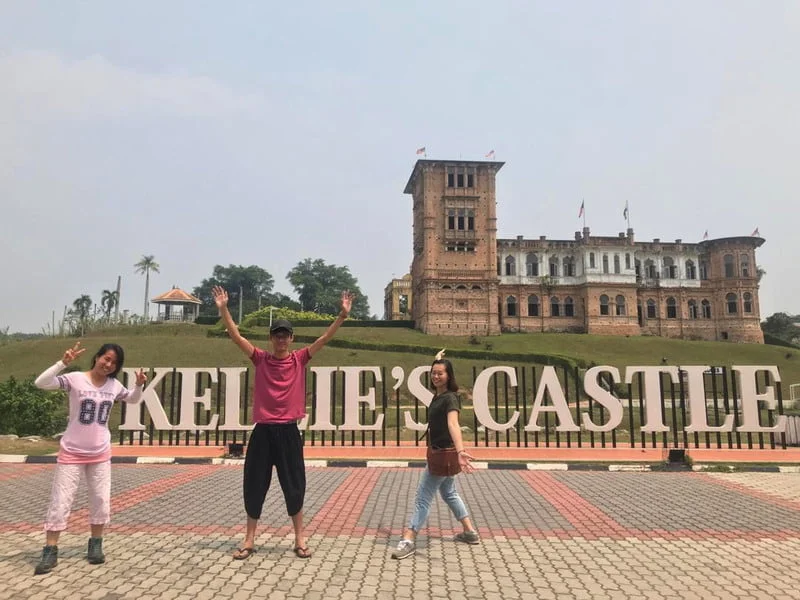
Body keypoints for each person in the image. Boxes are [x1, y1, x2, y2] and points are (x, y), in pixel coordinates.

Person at [212, 285, 354, 560]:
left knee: (295, 485)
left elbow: (324, 338)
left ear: (291, 338)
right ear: (271, 338)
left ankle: (300, 538)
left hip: (289, 431)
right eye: (277, 335)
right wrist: (223, 309)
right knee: (254, 484)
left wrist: (342, 315)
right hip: (263, 432)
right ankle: (249, 539)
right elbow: (235, 336)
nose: (281, 340)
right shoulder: (261, 359)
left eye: (285, 335)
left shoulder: (299, 359)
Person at [32, 341, 147, 575]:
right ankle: (50, 549)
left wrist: (138, 385)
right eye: (106, 358)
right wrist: (62, 363)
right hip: (72, 452)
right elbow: (41, 383)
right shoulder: (75, 379)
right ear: (97, 357)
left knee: (101, 500)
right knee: (61, 501)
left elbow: (133, 399)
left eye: (114, 363)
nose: (108, 364)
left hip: (100, 453)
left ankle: (95, 545)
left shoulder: (114, 386)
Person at [392, 351, 479, 559]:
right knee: (449, 492)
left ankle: (409, 538)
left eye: (440, 373)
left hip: (444, 453)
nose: (436, 376)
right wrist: (437, 357)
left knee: (423, 497)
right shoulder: (438, 395)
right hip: (438, 452)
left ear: (449, 376)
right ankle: (469, 531)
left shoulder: (451, 398)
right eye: (433, 373)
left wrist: (460, 451)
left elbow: (453, 424)